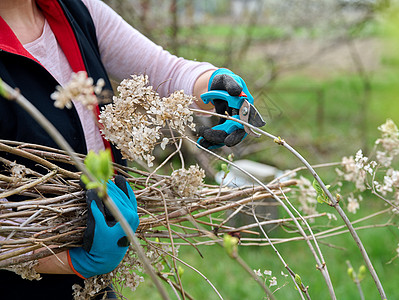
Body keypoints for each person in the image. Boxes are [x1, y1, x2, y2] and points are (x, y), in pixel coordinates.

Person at [0, 0, 254, 299]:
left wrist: (214, 84)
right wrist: (72, 261)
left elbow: (163, 71)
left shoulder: (76, 10)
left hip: (93, 284)